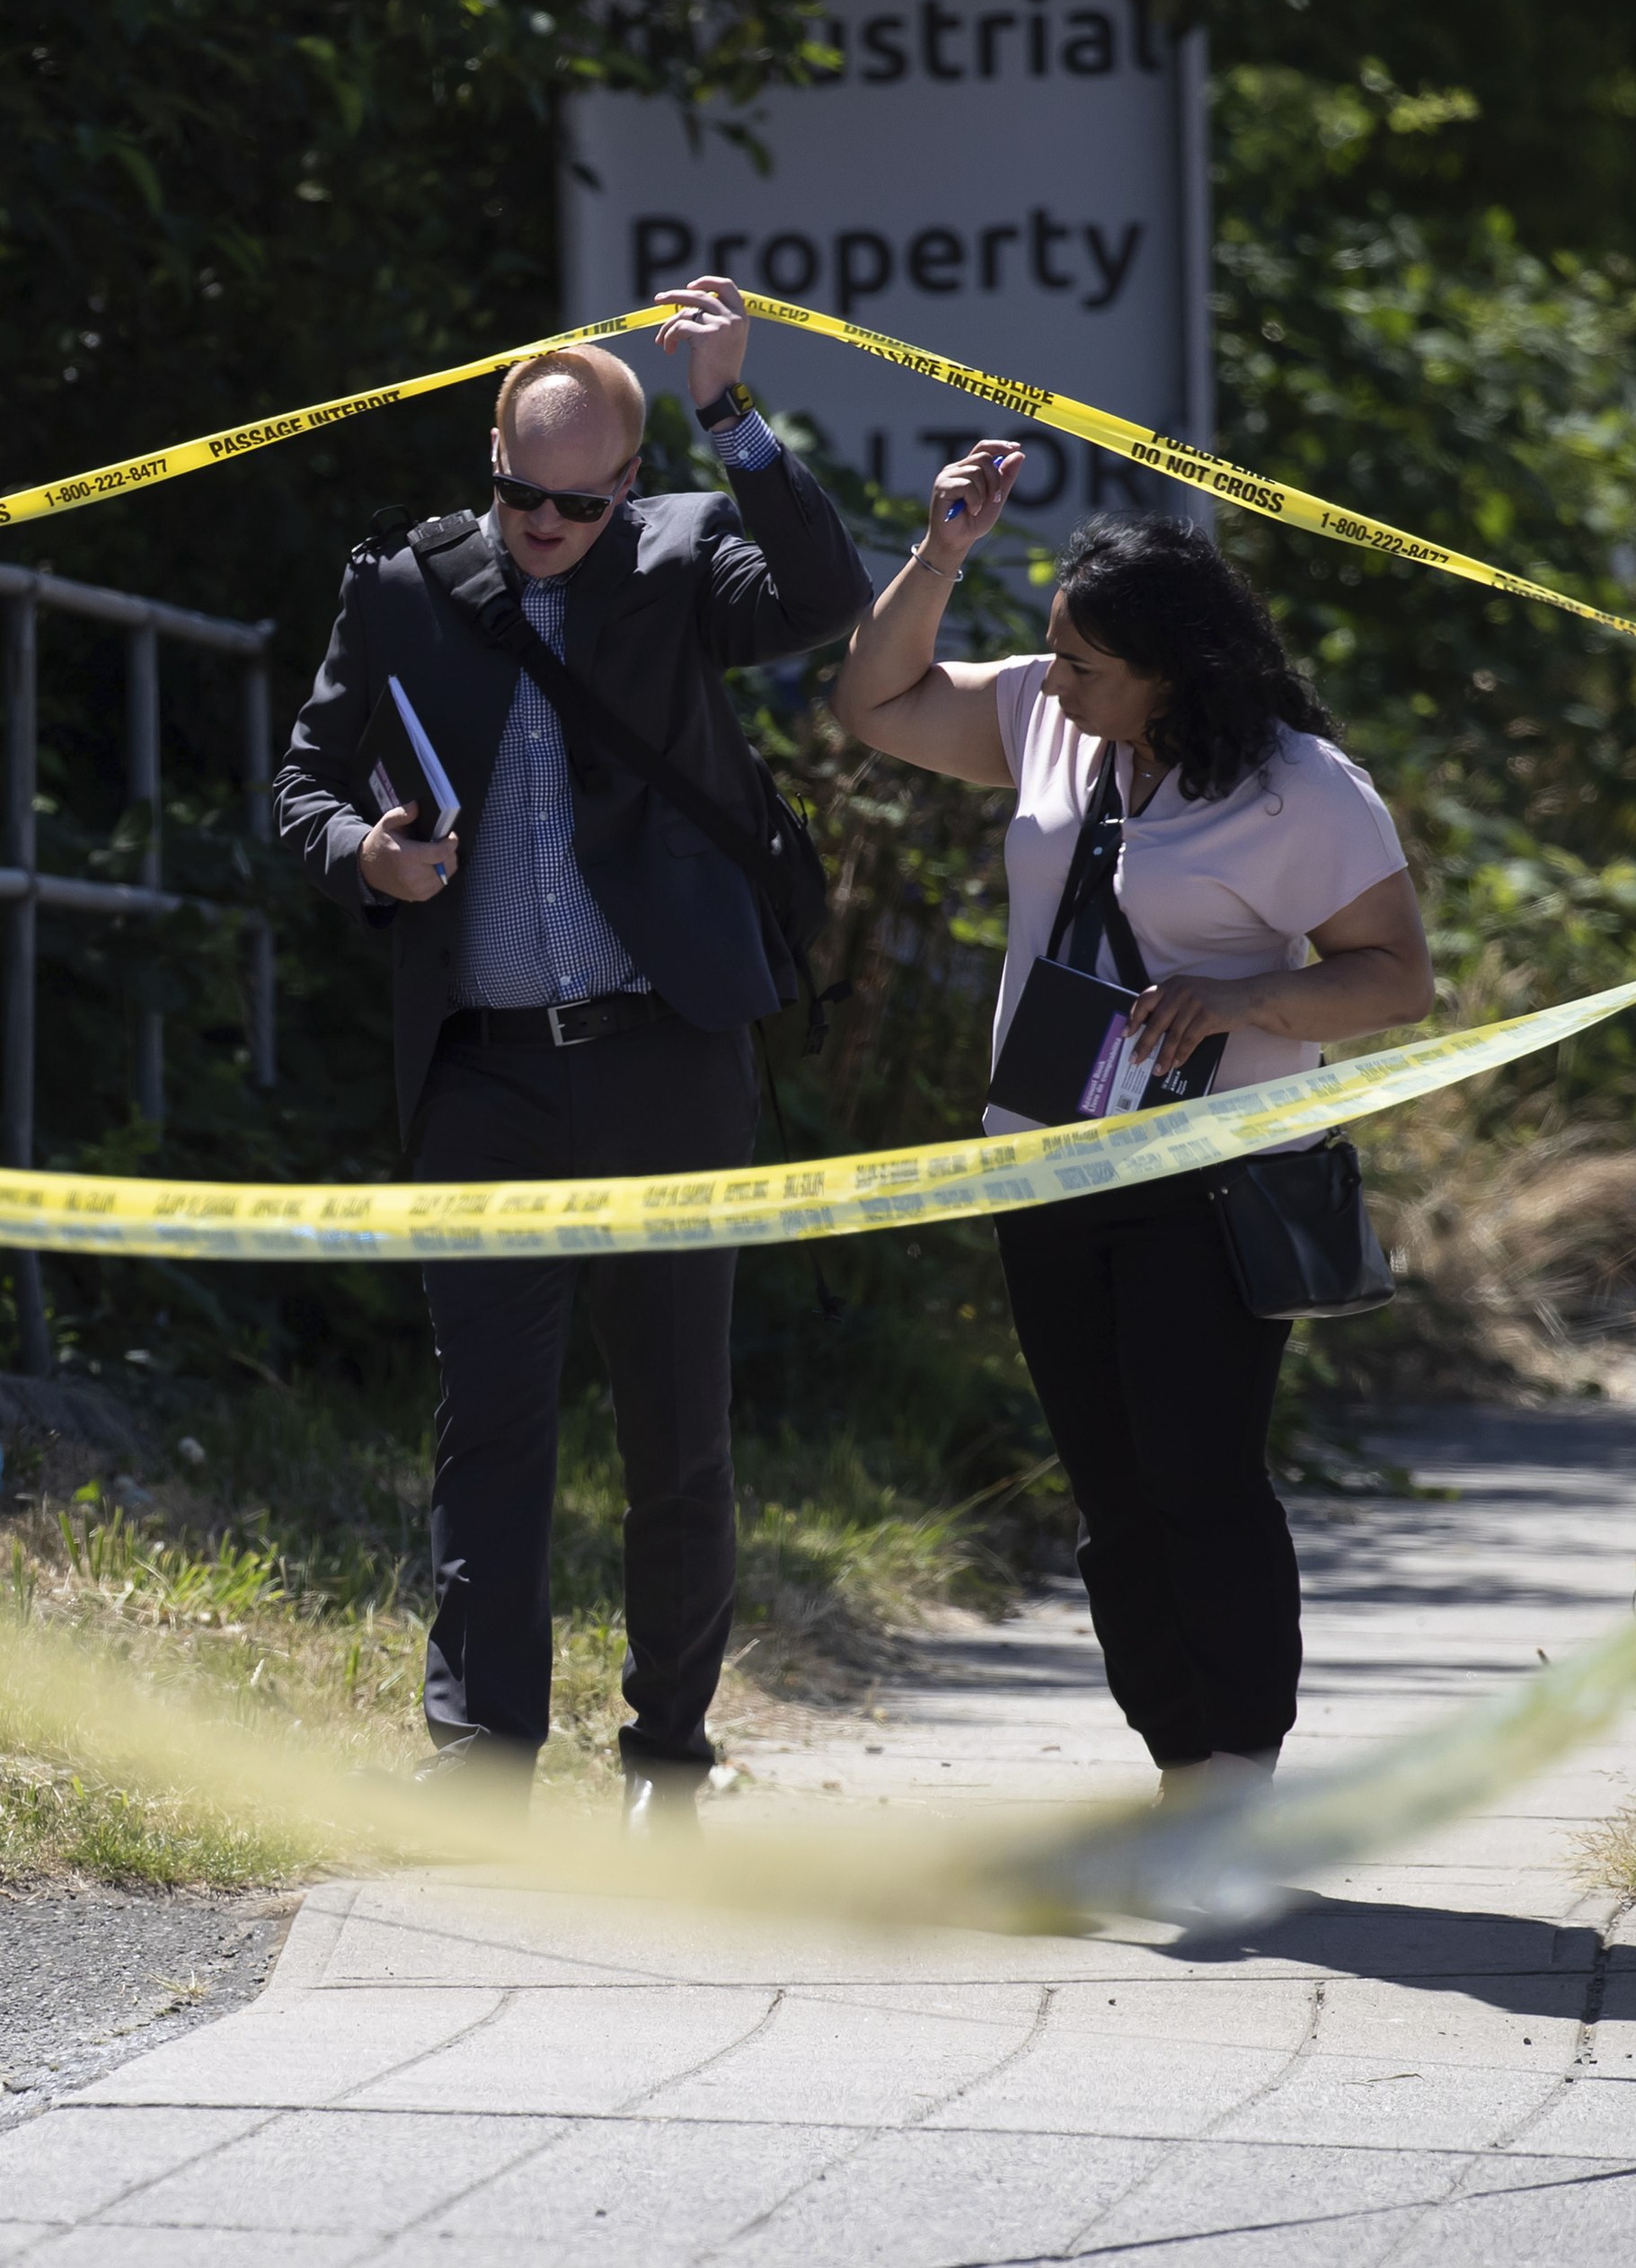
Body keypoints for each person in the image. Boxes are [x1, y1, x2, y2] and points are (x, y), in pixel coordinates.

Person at [273, 277, 870, 1823]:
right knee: (491, 1426)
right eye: (517, 496)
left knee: (677, 1427)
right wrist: (366, 858)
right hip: (484, 1071)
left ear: (627, 482)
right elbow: (304, 784)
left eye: (575, 503)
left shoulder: (681, 560)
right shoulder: (405, 586)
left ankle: (669, 1754)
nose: (541, 526)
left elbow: (820, 597)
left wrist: (729, 411)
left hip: (665, 1055)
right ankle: (481, 1762)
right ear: (491, 463)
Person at [827, 446, 1432, 1798]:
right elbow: (871, 702)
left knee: (1197, 1475)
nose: (1058, 681)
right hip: (1051, 1160)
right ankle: (1177, 1764)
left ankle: (1240, 1772)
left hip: (1217, 1174)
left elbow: (1398, 975)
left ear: (1178, 669)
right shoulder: (1049, 718)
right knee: (1107, 1495)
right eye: (1053, 653)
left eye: (1088, 664)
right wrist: (941, 554)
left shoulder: (1301, 787)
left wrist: (1243, 995)